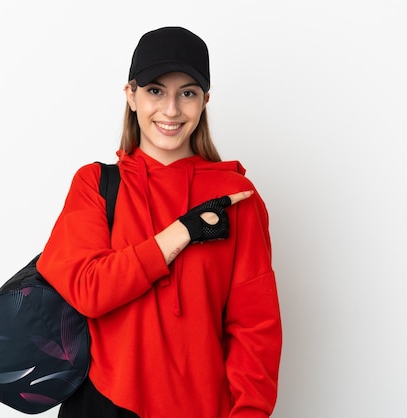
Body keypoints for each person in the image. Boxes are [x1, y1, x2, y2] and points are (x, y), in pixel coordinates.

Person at [37, 26, 282, 418]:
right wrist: (183, 232)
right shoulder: (96, 185)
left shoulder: (236, 197)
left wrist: (250, 412)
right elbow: (88, 290)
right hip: (104, 404)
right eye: (155, 90)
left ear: (205, 101)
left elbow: (255, 326)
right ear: (131, 95)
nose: (171, 110)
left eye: (187, 93)